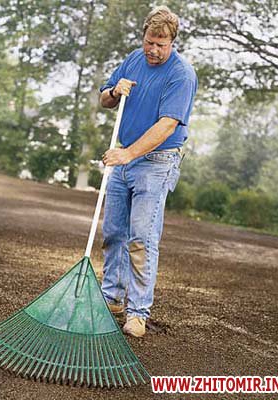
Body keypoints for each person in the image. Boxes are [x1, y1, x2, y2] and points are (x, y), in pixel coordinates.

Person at [99, 6, 197, 337]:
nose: (153, 50)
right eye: (149, 42)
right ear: (143, 37)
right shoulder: (133, 59)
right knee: (114, 232)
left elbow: (167, 125)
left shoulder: (181, 74)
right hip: (124, 157)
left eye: (160, 45)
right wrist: (115, 91)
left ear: (172, 42)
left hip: (157, 162)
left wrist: (128, 154)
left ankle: (137, 312)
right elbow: (104, 99)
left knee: (141, 237)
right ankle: (111, 298)